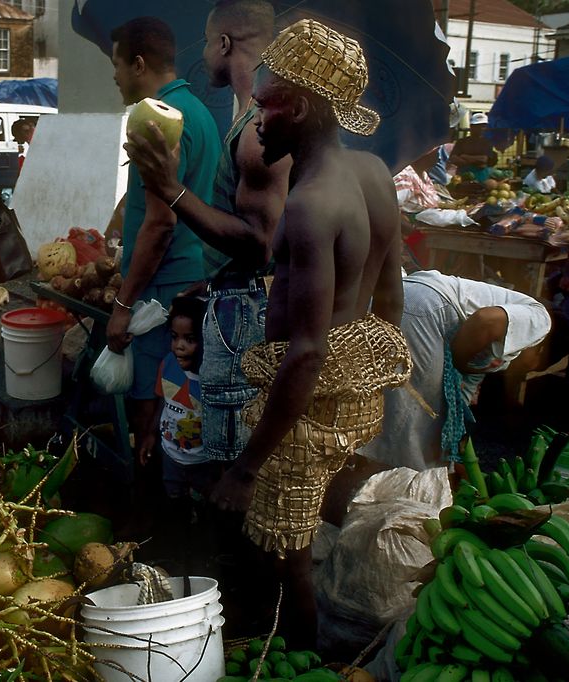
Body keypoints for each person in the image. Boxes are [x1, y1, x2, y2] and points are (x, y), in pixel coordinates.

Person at [209, 20, 409, 647]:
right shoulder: (375, 172)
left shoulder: (310, 204)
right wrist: (362, 376)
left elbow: (306, 351)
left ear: (295, 107)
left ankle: (303, 656)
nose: (255, 124)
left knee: (284, 548)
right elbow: (392, 296)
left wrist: (246, 466)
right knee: (298, 529)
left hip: (303, 405)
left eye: (263, 107)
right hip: (347, 394)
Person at [125, 0, 290, 464]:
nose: (203, 54)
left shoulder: (259, 127)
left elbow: (261, 242)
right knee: (219, 446)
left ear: (223, 44)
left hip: (246, 317)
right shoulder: (245, 111)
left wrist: (171, 190)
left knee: (231, 457)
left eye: (206, 42)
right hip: (231, 301)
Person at [105, 16, 222, 475]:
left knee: (150, 405)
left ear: (137, 64)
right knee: (181, 402)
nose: (113, 77)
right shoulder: (198, 112)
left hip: (160, 291)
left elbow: (159, 224)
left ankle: (147, 510)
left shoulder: (153, 120)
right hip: (192, 278)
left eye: (115, 65)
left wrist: (122, 303)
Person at [362, 270, 551, 471]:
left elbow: (461, 398)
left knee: (392, 409)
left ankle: (371, 478)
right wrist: (457, 363)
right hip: (426, 308)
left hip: (401, 299)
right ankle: (400, 490)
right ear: (542, 349)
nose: (526, 370)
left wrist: (458, 450)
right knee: (417, 431)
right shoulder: (541, 320)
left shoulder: (500, 348)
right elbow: (485, 319)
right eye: (535, 366)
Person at [142, 296, 211, 499]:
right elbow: (163, 401)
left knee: (203, 500)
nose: (179, 346)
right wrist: (151, 434)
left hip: (202, 461)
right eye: (174, 337)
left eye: (189, 339)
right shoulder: (168, 365)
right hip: (171, 454)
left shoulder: (209, 378)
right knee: (174, 496)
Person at [449, 112, 497, 184]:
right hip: (462, 177)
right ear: (471, 126)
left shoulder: (487, 142)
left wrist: (464, 156)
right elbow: (453, 159)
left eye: (484, 126)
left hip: (481, 177)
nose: (482, 128)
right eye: (478, 126)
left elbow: (484, 159)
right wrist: (475, 161)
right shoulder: (461, 142)